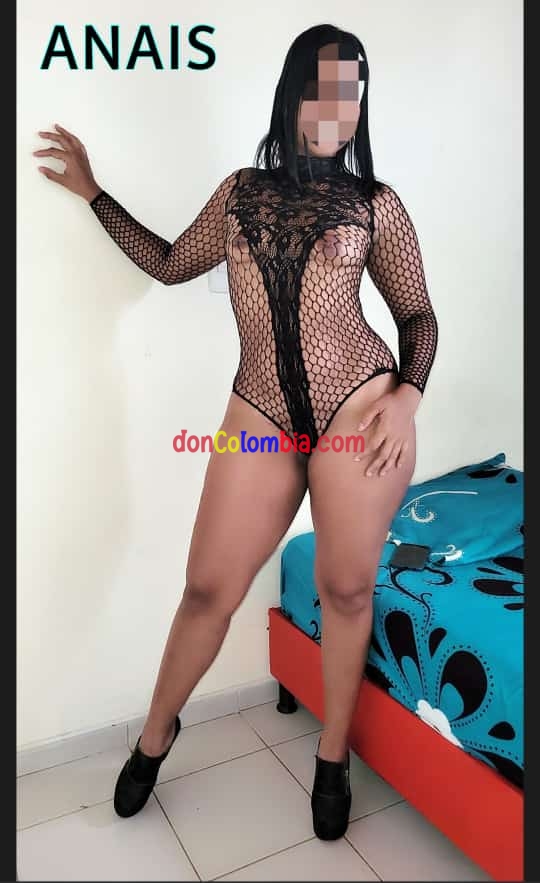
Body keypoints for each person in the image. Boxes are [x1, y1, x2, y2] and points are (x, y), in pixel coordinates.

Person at [33, 23, 437, 840]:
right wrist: (94, 192)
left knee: (346, 589)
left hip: (361, 409)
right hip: (260, 414)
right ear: (293, 95)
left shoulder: (376, 204)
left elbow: (417, 316)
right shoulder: (241, 192)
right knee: (207, 588)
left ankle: (332, 756)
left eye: (352, 96)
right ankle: (155, 736)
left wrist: (407, 397)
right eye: (323, 91)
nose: (337, 111)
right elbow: (168, 263)